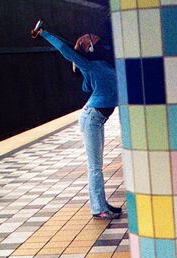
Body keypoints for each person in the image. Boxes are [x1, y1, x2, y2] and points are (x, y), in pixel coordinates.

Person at [31, 20, 122, 220]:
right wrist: (43, 33)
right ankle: (98, 209)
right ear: (88, 47)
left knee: (97, 165)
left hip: (96, 118)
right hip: (92, 118)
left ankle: (102, 203)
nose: (99, 42)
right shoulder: (89, 64)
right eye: (94, 41)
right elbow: (64, 48)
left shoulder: (101, 65)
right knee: (95, 167)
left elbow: (89, 88)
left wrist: (86, 74)